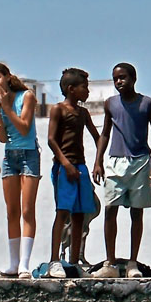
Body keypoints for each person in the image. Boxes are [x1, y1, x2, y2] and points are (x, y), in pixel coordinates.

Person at [91, 63, 151, 278]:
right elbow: (105, 133)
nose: (119, 82)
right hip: (115, 161)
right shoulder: (110, 104)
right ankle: (110, 263)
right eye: (115, 78)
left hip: (140, 161)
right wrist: (98, 161)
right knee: (110, 209)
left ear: (133, 78)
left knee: (136, 212)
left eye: (122, 77)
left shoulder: (147, 103)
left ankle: (133, 263)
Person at [0, 62, 40, 278]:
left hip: (29, 155)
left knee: (27, 210)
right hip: (10, 156)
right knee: (12, 212)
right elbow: (1, 137)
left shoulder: (26, 96)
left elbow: (25, 127)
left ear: (7, 77)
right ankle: (13, 263)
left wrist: (7, 106)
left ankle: (25, 264)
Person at [46, 68, 100, 278]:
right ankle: (54, 261)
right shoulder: (58, 110)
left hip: (81, 167)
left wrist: (99, 161)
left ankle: (74, 261)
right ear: (71, 89)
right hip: (64, 168)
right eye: (84, 87)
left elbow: (97, 136)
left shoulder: (83, 113)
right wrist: (65, 164)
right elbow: (51, 139)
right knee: (62, 212)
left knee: (80, 214)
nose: (87, 92)